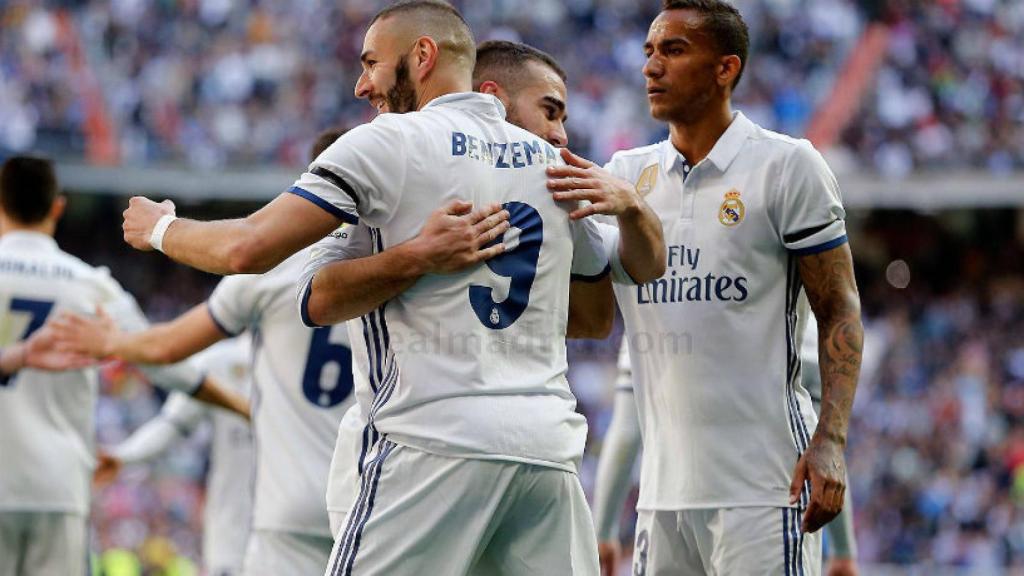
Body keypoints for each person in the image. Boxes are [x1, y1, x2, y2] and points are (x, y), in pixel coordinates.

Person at [546, 1, 863, 574]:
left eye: (673, 50)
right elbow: (590, 318)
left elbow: (839, 307)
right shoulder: (623, 172)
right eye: (648, 51)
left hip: (765, 489)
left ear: (725, 69)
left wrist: (832, 440)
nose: (651, 67)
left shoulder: (787, 167)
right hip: (662, 498)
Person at [314, 38, 619, 538]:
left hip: (435, 444)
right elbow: (595, 316)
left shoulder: (551, 180)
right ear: (492, 98)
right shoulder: (410, 161)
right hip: (500, 445)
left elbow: (310, 294)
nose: (559, 133)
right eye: (550, 111)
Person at [53, 133, 360, 576]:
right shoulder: (396, 270)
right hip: (362, 500)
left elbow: (166, 347)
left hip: (286, 512)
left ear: (311, 182)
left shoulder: (270, 275)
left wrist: (111, 342)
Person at [0, 155, 248, 576]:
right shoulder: (92, 285)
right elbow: (166, 363)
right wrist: (243, 407)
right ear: (57, 207)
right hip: (57, 487)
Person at [94, 337, 254, 576]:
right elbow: (173, 423)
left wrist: (123, 456)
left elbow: (172, 422)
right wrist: (122, 456)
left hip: (238, 534)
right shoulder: (224, 362)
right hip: (243, 532)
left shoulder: (222, 360)